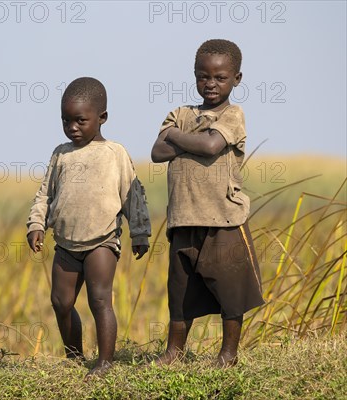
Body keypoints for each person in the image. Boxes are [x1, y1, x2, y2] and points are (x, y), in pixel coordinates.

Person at [27, 77, 151, 378]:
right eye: (66, 120)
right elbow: (45, 193)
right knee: (60, 301)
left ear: (102, 118)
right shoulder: (61, 154)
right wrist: (36, 223)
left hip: (102, 241)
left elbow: (133, 194)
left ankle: (105, 361)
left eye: (80, 120)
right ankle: (74, 356)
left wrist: (139, 231)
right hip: (67, 243)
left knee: (99, 299)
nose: (73, 127)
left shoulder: (115, 154)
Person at [151, 39, 265, 367]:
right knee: (180, 291)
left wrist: (175, 137)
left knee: (231, 289)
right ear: (195, 75)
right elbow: (158, 153)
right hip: (184, 217)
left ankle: (228, 354)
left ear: (236, 79)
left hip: (223, 218)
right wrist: (192, 141)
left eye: (220, 77)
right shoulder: (180, 112)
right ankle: (174, 351)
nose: (210, 84)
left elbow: (212, 146)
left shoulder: (233, 114)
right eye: (203, 76)